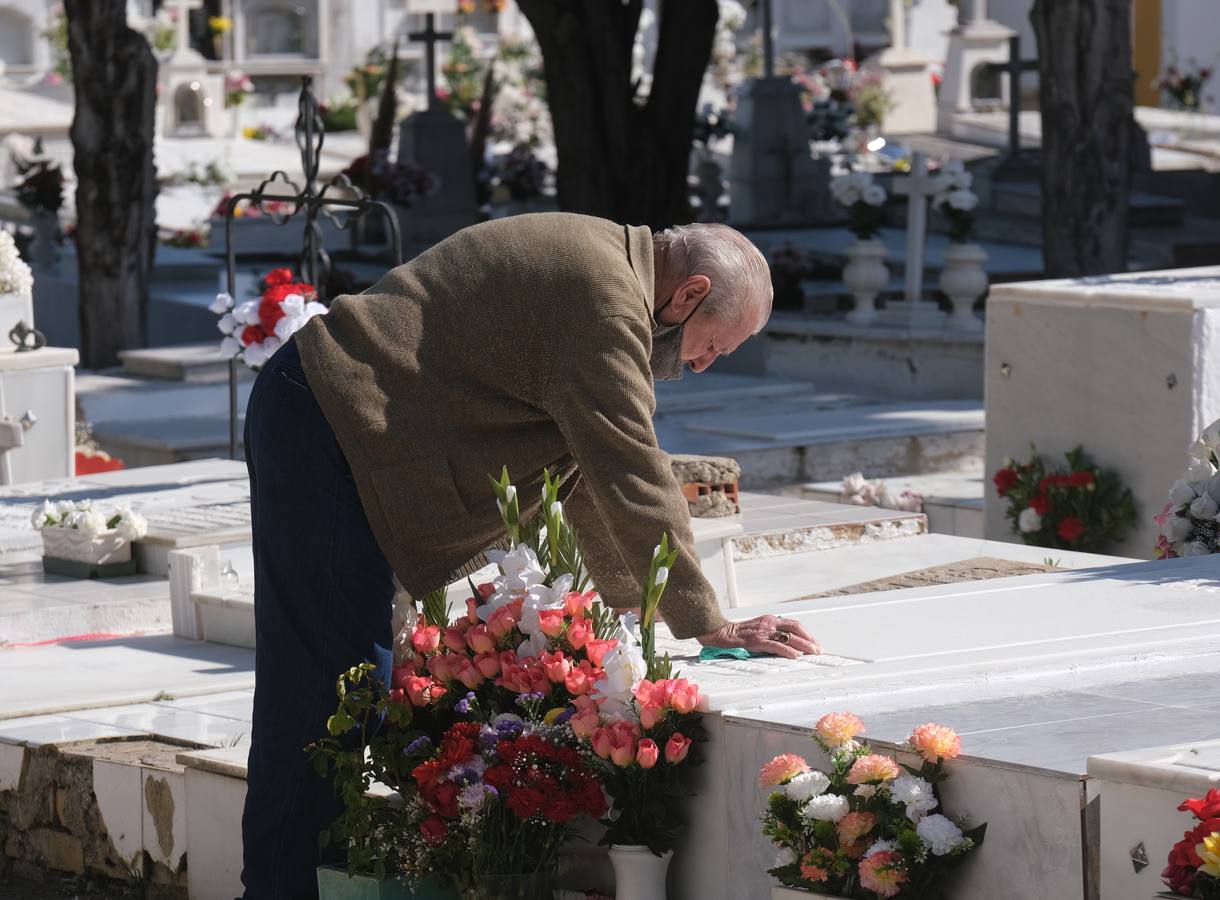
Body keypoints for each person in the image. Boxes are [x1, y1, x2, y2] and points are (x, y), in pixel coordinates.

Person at [239, 213, 822, 898]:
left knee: (344, 685)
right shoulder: (602, 297)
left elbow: (578, 463)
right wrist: (706, 621)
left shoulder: (608, 269)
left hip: (328, 420)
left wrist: (641, 604)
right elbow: (629, 466)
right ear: (690, 294)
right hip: (328, 422)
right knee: (328, 689)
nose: (701, 363)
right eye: (714, 346)